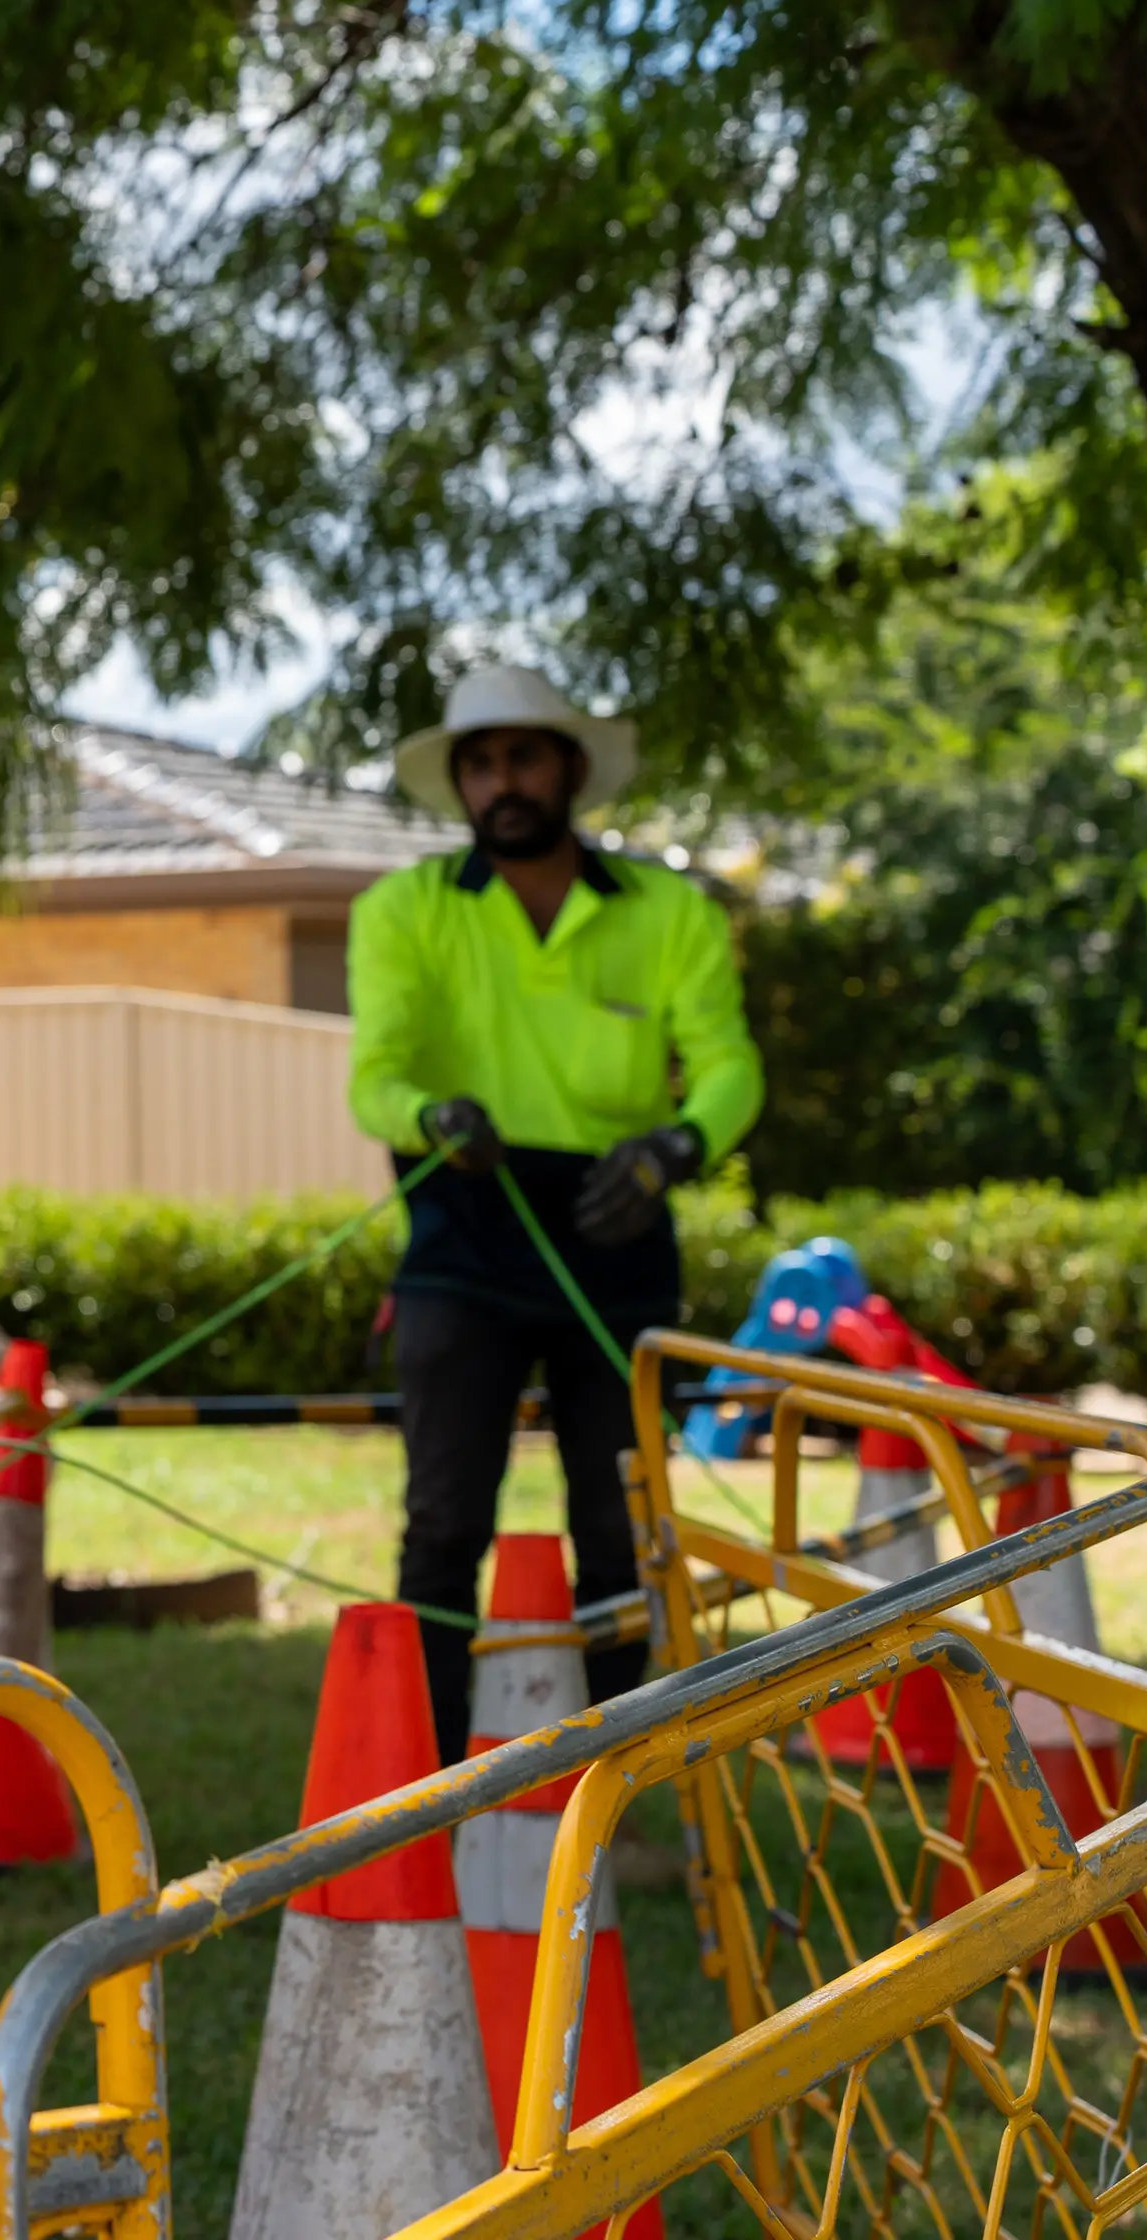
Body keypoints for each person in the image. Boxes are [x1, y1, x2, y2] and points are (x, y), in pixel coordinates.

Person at [347, 665, 762, 1764]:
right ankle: (422, 1789)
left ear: (572, 768)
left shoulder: (670, 911)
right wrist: (431, 1116)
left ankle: (615, 1786)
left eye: (523, 756)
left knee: (622, 1531)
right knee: (442, 1524)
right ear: (460, 783)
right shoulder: (402, 910)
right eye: (480, 763)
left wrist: (675, 1148)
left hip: (619, 1231)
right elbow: (374, 1080)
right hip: (460, 1232)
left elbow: (729, 1068)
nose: (503, 782)